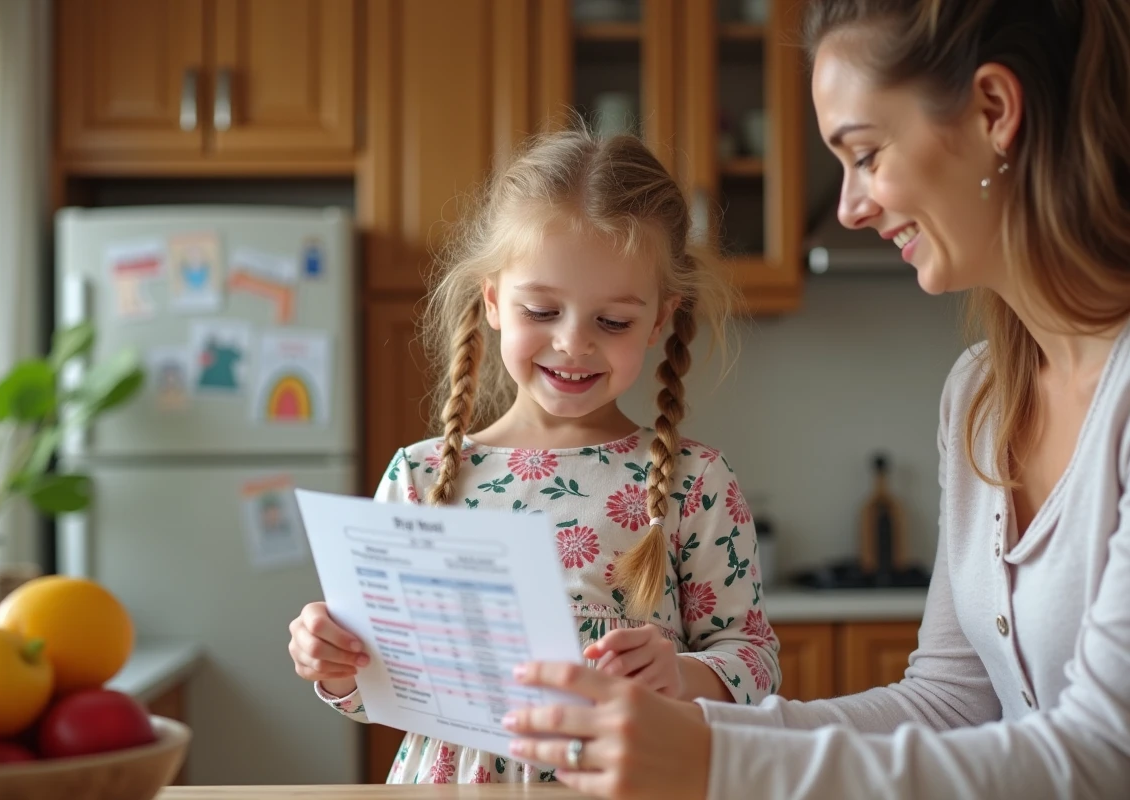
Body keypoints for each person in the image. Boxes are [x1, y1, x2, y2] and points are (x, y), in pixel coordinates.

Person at [500, 0, 1130, 797]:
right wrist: (688, 731)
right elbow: (949, 703)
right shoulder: (981, 395)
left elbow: (1106, 756)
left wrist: (711, 760)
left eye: (865, 154)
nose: (849, 207)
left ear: (994, 111)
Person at [287, 129, 782, 784]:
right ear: (494, 300)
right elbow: (377, 690)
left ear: (660, 321)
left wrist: (683, 674)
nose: (573, 343)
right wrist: (334, 664)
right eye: (543, 310)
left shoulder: (697, 483)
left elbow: (756, 661)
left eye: (613, 321)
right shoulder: (421, 476)